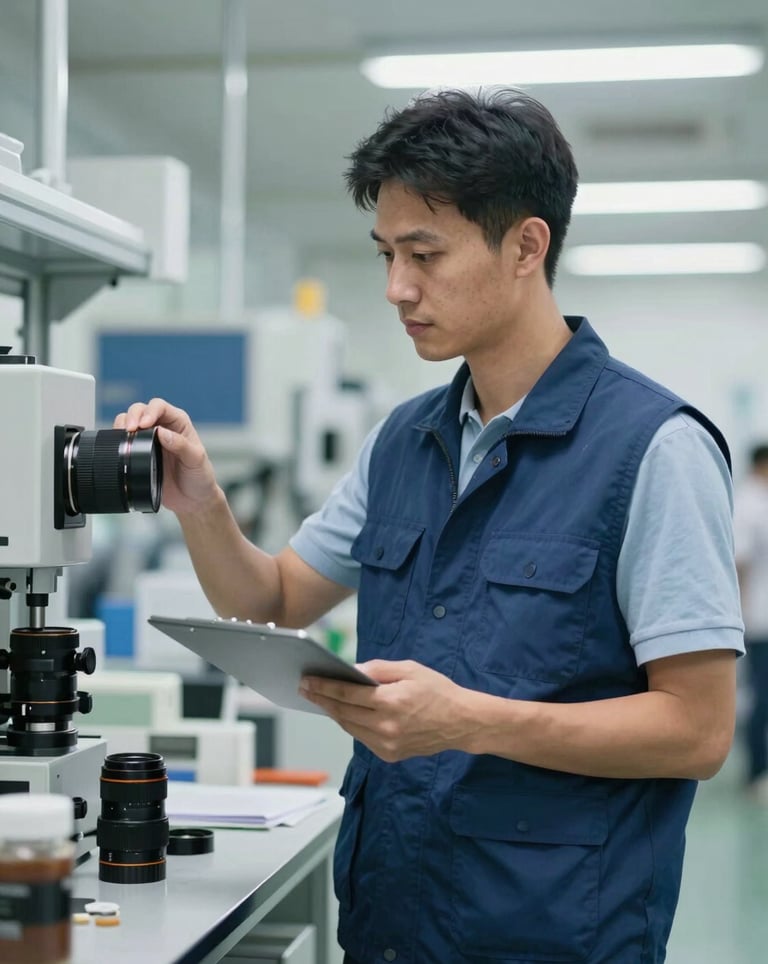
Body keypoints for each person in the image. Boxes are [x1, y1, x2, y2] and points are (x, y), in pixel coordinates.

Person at [116, 88, 745, 963]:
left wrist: (469, 722)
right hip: (391, 919)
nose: (395, 288)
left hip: (550, 932)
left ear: (528, 245)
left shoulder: (654, 449)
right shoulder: (405, 441)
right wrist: (202, 506)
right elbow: (276, 598)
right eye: (385, 253)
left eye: (425, 254)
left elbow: (699, 732)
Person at [734, 443, 768, 801]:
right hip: (758, 620)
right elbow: (739, 562)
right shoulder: (747, 504)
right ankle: (756, 772)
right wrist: (738, 616)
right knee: (762, 698)